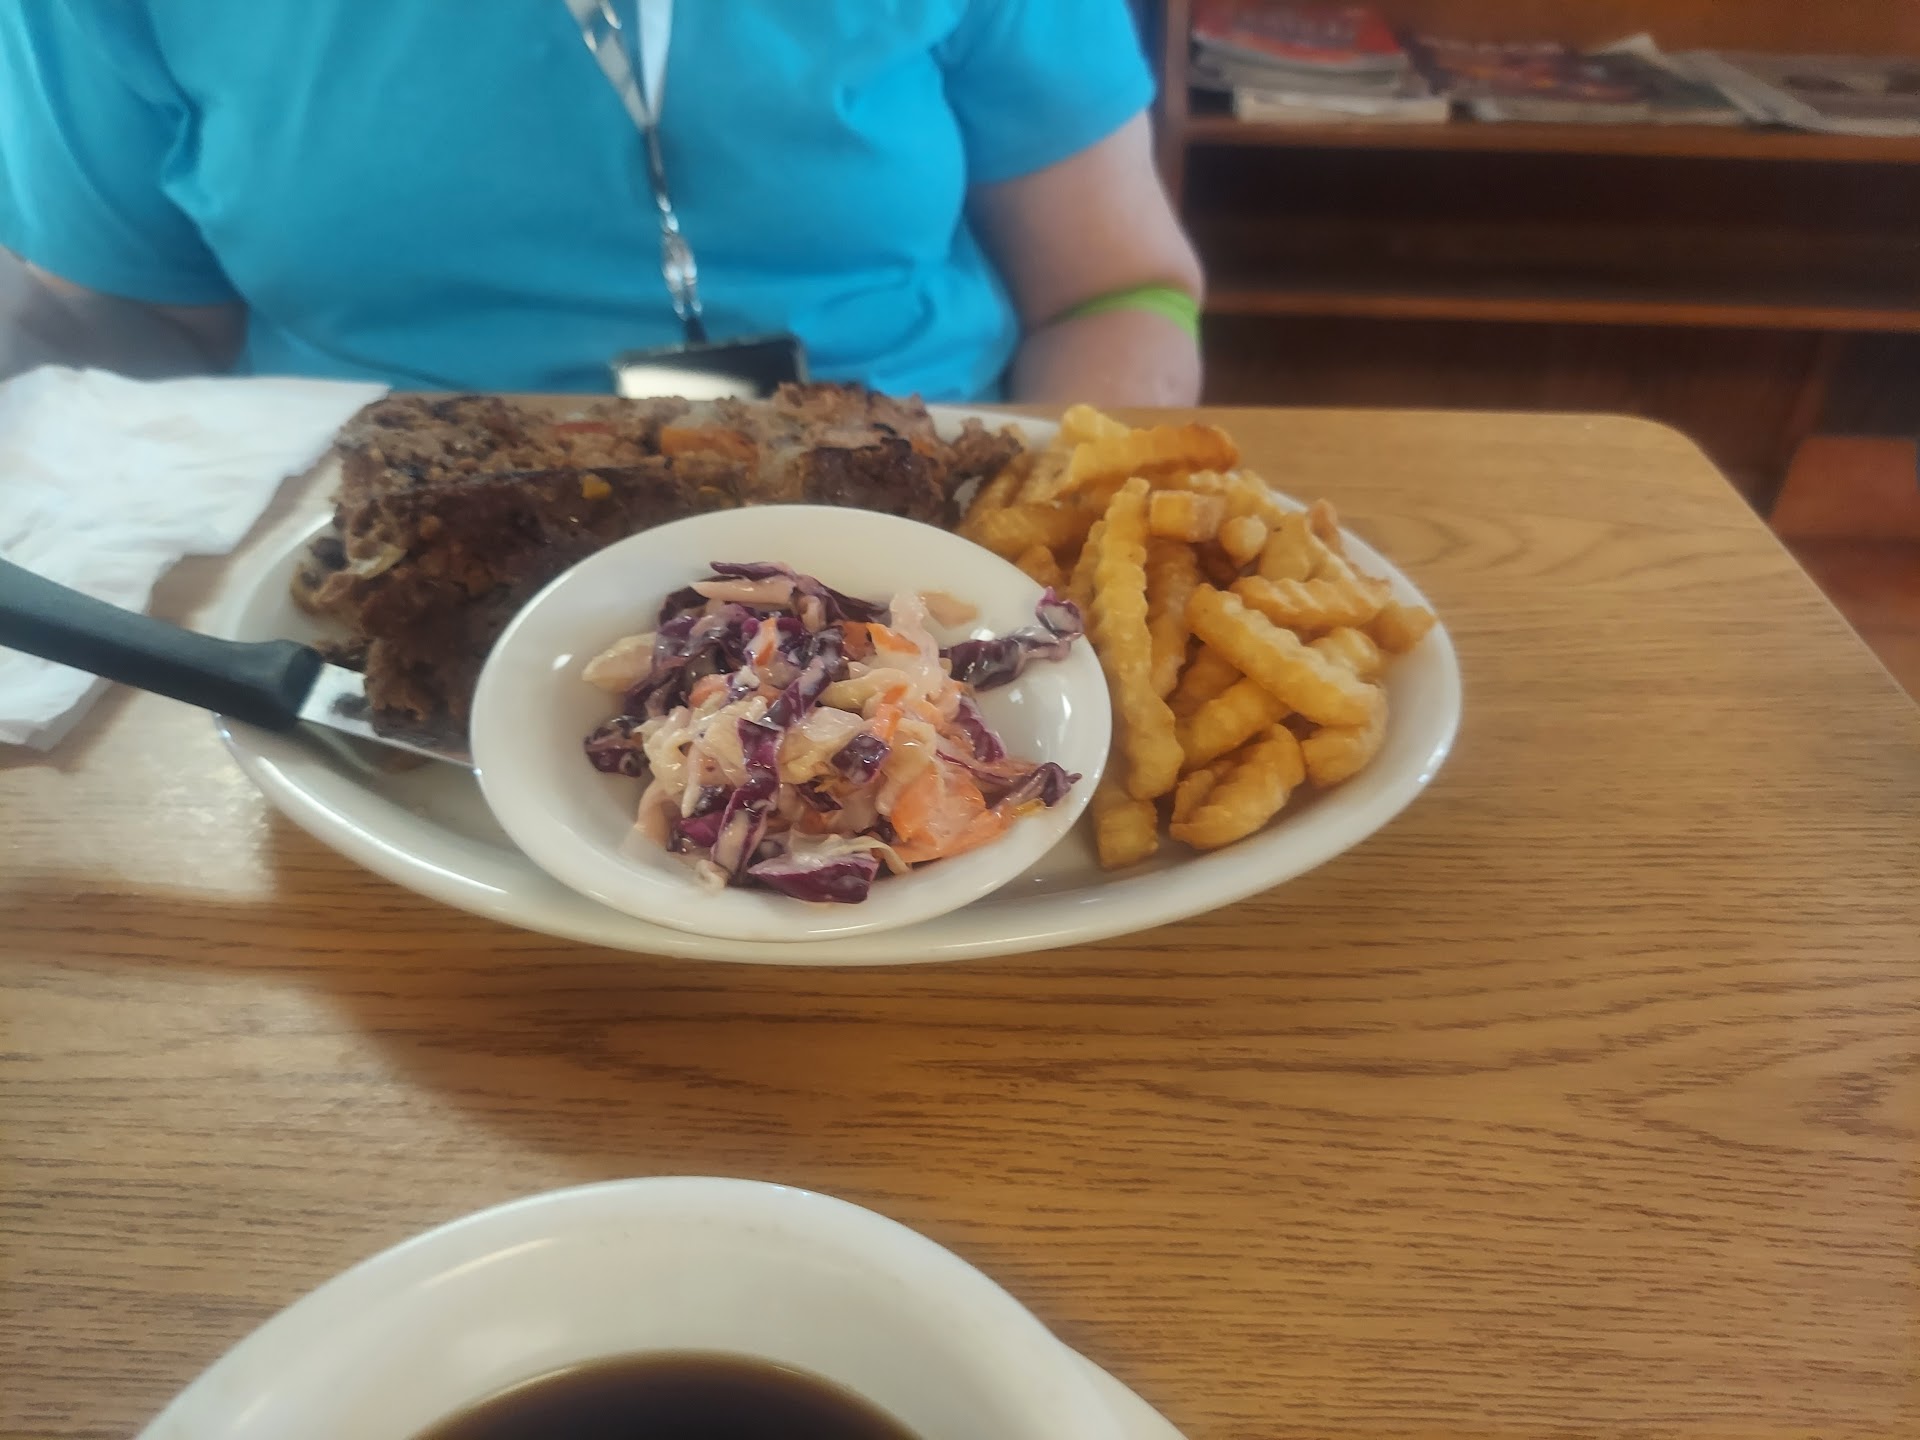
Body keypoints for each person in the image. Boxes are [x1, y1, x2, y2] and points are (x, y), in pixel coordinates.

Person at [0, 2, 1204, 405]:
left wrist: (1060, 549)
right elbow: (131, 327)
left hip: (922, 507)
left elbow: (1115, 290)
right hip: (376, 553)